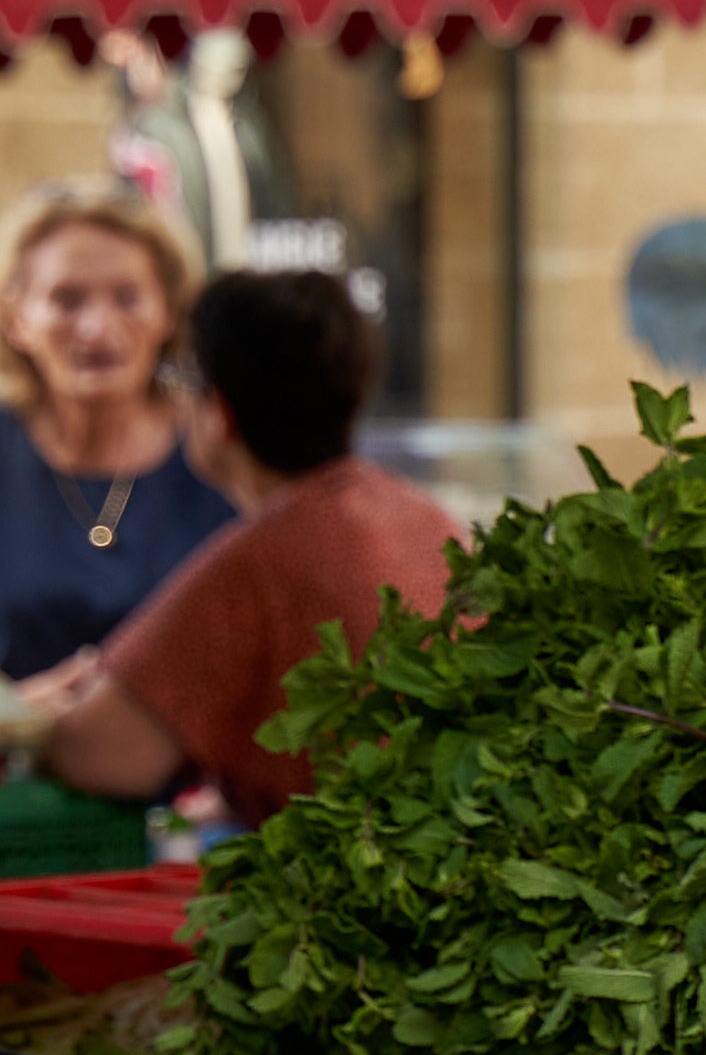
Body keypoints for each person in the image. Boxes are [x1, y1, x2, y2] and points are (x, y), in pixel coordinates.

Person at [42, 270, 459, 827]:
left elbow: (101, 756)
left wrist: (35, 711)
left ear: (221, 414)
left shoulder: (259, 560)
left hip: (339, 891)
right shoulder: (425, 518)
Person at [0, 181, 233, 685]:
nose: (97, 329)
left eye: (127, 298)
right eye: (67, 300)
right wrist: (19, 716)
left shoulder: (225, 446)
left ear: (168, 312)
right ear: (16, 319)